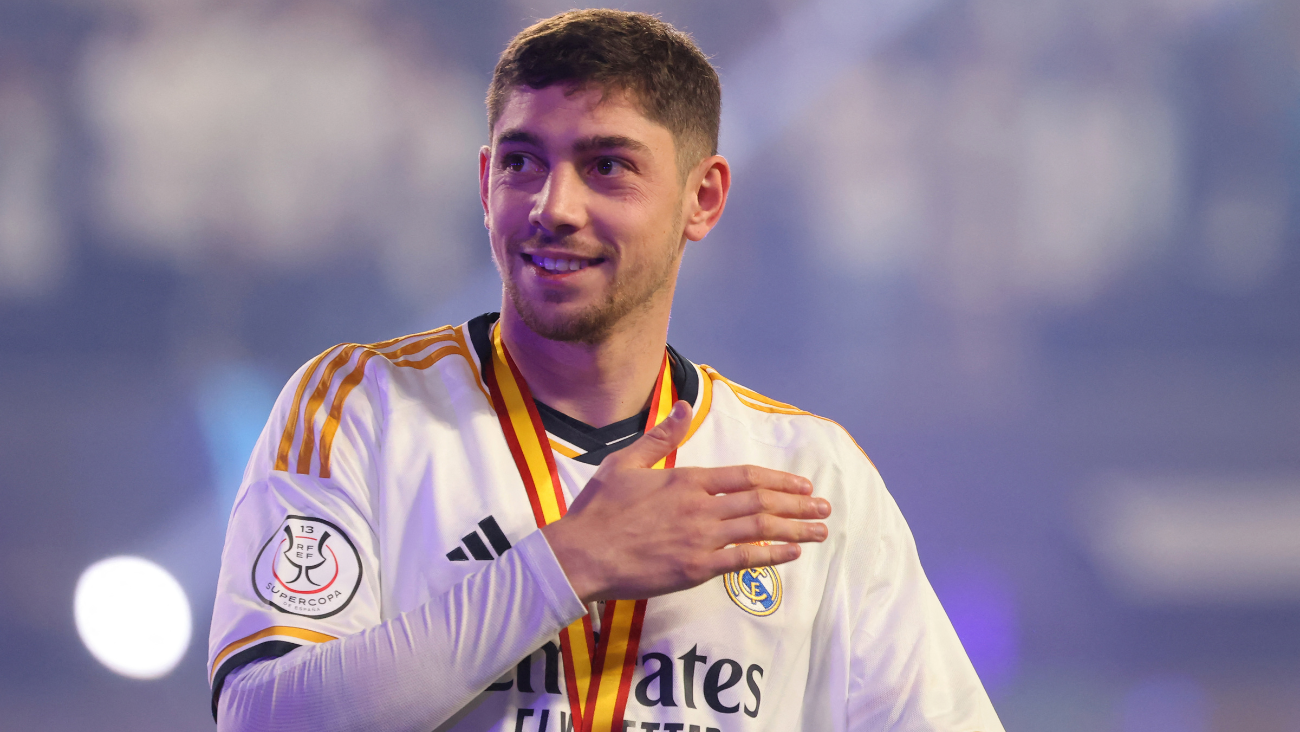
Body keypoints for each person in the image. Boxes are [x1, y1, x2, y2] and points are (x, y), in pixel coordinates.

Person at [208, 9, 1004, 732]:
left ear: (704, 198)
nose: (554, 205)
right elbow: (263, 717)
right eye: (522, 162)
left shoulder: (809, 473)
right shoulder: (362, 407)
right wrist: (572, 561)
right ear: (485, 182)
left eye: (607, 167)